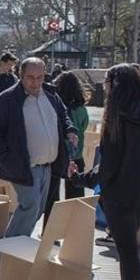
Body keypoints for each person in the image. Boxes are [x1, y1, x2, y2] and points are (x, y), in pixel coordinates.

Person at [70, 65, 140, 280]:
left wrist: (80, 179)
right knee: (128, 248)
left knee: (128, 252)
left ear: (114, 86)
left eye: (107, 82)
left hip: (120, 194)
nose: (105, 87)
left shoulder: (118, 119)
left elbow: (107, 166)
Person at [0, 57, 78, 239]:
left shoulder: (51, 95)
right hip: (23, 166)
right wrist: (7, 157)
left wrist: (70, 130)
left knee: (38, 209)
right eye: (30, 77)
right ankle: (9, 251)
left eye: (40, 77)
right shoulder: (7, 99)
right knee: (30, 205)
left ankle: (15, 246)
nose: (35, 82)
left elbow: (63, 115)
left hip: (47, 167)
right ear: (21, 76)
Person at [42, 70, 90, 224]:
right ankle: (75, 228)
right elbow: (82, 129)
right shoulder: (82, 110)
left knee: (53, 198)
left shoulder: (54, 108)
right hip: (77, 157)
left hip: (57, 156)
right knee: (76, 196)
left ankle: (50, 232)